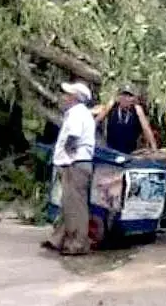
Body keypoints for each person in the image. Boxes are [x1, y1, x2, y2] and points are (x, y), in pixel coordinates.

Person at [43, 81, 96, 256]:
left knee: (75, 205)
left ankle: (78, 243)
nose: (64, 97)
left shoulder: (76, 114)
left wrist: (68, 154)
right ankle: (58, 238)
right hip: (78, 163)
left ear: (74, 98)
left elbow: (73, 136)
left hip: (75, 163)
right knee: (68, 203)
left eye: (67, 94)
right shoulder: (82, 114)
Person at [94, 85, 159, 155]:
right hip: (111, 151)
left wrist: (154, 148)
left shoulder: (137, 109)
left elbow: (146, 129)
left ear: (134, 98)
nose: (126, 98)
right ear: (119, 97)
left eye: (129, 96)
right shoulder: (112, 106)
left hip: (130, 153)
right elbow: (97, 120)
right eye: (124, 95)